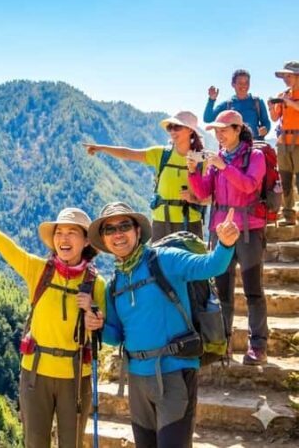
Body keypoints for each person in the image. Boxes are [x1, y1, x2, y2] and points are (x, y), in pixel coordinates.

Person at [83, 202, 239, 448]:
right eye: (110, 229)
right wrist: (98, 324)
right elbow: (115, 336)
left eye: (124, 226)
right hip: (137, 380)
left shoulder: (164, 259)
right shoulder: (116, 283)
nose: (118, 234)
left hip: (175, 373)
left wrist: (226, 243)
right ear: (104, 239)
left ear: (137, 231)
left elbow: (210, 265)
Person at [0, 203, 106, 448]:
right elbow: (11, 250)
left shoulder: (96, 284)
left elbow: (105, 330)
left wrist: (94, 316)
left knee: (72, 443)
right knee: (35, 442)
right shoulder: (39, 271)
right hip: (36, 374)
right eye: (59, 232)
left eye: (71, 233)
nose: (63, 239)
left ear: (86, 241)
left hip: (77, 376)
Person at [187, 110, 268, 365]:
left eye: (223, 130)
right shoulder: (218, 158)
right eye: (216, 131)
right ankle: (223, 343)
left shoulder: (255, 156)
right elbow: (203, 193)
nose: (218, 135)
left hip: (249, 230)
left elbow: (249, 185)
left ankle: (258, 346)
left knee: (253, 289)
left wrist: (224, 167)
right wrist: (193, 172)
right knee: (222, 291)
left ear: (237, 129)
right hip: (221, 232)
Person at [83, 111, 206, 240]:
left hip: (190, 222)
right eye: (170, 127)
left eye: (177, 127)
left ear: (190, 131)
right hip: (161, 221)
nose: (172, 131)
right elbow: (128, 154)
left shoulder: (202, 160)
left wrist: (195, 199)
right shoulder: (161, 154)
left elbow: (211, 195)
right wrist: (102, 148)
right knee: (158, 260)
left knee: (192, 260)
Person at [269, 61, 299, 225]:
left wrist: (289, 102)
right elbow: (275, 118)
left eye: (289, 75)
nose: (285, 79)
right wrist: (270, 107)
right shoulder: (283, 94)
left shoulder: (288, 97)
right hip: (283, 142)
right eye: (284, 76)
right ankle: (288, 215)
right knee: (286, 179)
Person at [205, 69, 271, 140]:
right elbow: (208, 118)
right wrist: (211, 100)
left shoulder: (257, 102)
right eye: (240, 83)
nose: (244, 86)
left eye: (246, 83)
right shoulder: (227, 104)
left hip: (254, 144)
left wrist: (265, 129)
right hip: (233, 145)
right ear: (233, 84)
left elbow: (266, 122)